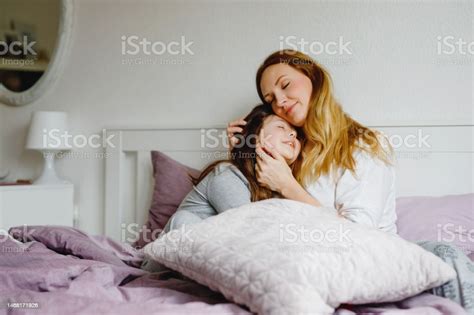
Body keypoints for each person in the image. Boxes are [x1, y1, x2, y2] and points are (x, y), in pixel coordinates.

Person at [227, 49, 473, 311]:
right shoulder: (289, 153)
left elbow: (357, 234)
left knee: (445, 254)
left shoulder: (365, 145)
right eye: (270, 99)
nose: (280, 101)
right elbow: (255, 222)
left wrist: (288, 186)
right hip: (308, 264)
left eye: (285, 85)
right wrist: (242, 152)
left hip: (374, 261)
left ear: (313, 77)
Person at [141, 103, 304, 272]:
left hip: (210, 263)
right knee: (184, 221)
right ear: (255, 136)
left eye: (296, 134)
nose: (293, 133)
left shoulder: (282, 191)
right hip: (163, 263)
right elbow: (251, 232)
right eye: (281, 127)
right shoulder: (226, 174)